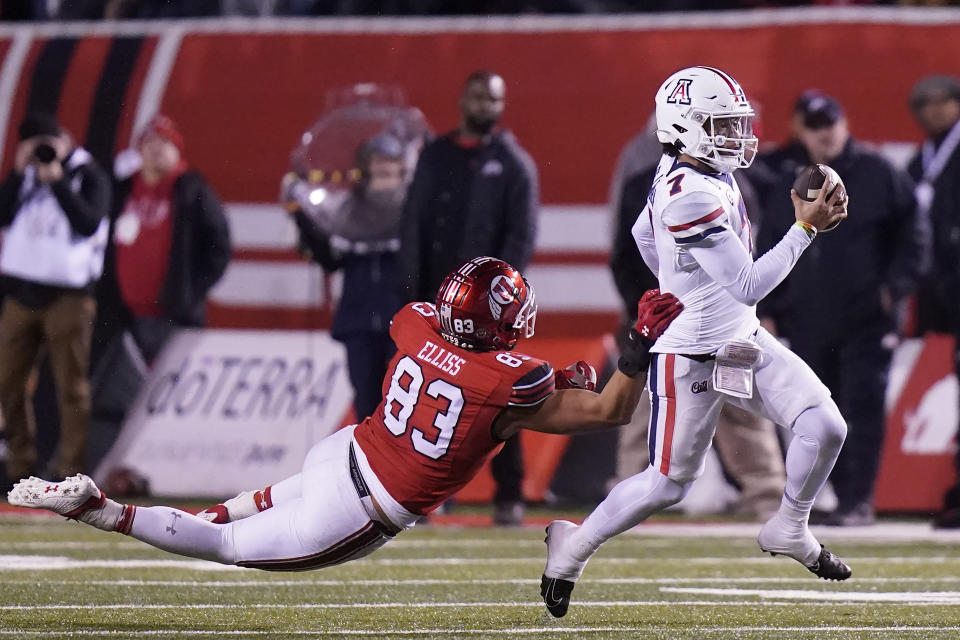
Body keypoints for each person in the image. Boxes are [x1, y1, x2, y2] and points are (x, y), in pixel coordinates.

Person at [7, 257, 683, 574]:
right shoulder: (512, 382)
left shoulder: (416, 325)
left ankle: (135, 508)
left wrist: (554, 376)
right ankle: (103, 510)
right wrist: (638, 345)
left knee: (228, 516)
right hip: (364, 506)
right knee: (224, 550)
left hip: (342, 452)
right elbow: (608, 411)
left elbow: (472, 360)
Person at [539, 66, 851, 619]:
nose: (737, 135)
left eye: (736, 123)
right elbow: (750, 282)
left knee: (826, 424)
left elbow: (641, 233)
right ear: (685, 127)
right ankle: (572, 547)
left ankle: (789, 526)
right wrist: (804, 230)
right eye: (723, 124)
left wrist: (679, 281)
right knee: (667, 484)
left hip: (741, 339)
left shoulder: (690, 170)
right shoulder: (689, 194)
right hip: (689, 357)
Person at [753, 91, 924, 527]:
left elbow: (913, 235)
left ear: (843, 123)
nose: (825, 134)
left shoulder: (877, 171)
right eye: (815, 126)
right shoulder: (790, 180)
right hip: (810, 318)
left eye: (830, 123)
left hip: (867, 316)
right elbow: (773, 244)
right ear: (802, 132)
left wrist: (894, 290)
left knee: (861, 408)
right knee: (819, 410)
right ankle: (834, 498)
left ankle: (857, 500)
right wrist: (771, 307)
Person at [611, 122, 786, 520]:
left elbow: (748, 259)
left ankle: (766, 495)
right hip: (668, 318)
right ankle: (633, 497)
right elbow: (628, 252)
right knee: (646, 408)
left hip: (724, 317)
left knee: (740, 406)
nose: (730, 136)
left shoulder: (734, 182)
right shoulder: (645, 184)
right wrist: (648, 309)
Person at [399, 70, 538, 525]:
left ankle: (509, 494)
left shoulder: (515, 164)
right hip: (437, 302)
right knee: (436, 395)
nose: (484, 105)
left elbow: (521, 237)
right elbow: (413, 223)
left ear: (503, 106)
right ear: (462, 98)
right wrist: (414, 291)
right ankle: (432, 491)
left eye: (493, 99)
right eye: (477, 96)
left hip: (487, 310)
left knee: (499, 396)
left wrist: (501, 299)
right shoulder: (435, 155)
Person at [0, 111, 111, 487]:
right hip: (20, 294)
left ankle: (70, 472)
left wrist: (59, 182)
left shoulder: (89, 174)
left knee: (70, 386)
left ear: (65, 139)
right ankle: (20, 467)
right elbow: (2, 214)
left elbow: (88, 222)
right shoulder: (26, 175)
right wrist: (18, 172)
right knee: (6, 381)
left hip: (69, 296)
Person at [285, 133, 409, 421]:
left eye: (390, 161)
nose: (383, 168)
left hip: (406, 320)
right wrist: (301, 216)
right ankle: (367, 465)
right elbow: (330, 259)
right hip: (359, 320)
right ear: (365, 167)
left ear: (403, 166)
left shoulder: (417, 206)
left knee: (404, 406)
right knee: (366, 405)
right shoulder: (346, 209)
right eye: (376, 161)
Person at [99, 114, 231, 364]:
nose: (156, 148)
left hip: (174, 316)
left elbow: (220, 246)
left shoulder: (191, 190)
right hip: (126, 316)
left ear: (177, 150)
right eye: (150, 142)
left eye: (164, 142)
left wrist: (190, 292)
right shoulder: (124, 189)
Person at [905, 75, 960, 529]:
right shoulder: (917, 162)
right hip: (942, 290)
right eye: (921, 104)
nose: (931, 110)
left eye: (939, 101)